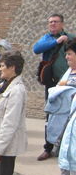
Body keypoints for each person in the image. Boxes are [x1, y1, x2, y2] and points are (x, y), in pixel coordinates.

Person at [33, 14, 74, 161]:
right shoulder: (47, 38)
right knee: (50, 114)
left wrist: (66, 41)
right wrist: (56, 41)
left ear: (62, 24)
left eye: (55, 22)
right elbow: (36, 49)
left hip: (69, 83)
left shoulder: (70, 37)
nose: (52, 24)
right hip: (52, 83)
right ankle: (48, 147)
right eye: (50, 22)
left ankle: (66, 146)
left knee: (70, 114)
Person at [51, 39, 76, 175]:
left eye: (69, 54)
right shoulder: (69, 71)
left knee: (74, 169)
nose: (67, 57)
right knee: (64, 167)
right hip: (65, 124)